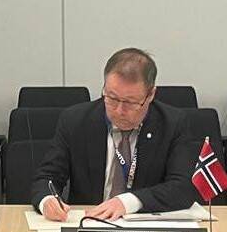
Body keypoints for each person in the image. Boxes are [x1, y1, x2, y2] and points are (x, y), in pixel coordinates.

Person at [31, 48, 197, 221]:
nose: (119, 111)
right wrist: (47, 200)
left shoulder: (172, 124)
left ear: (150, 95)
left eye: (130, 102)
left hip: (146, 227)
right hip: (89, 223)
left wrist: (128, 202)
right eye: (112, 98)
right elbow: (47, 177)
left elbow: (183, 187)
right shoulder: (76, 121)